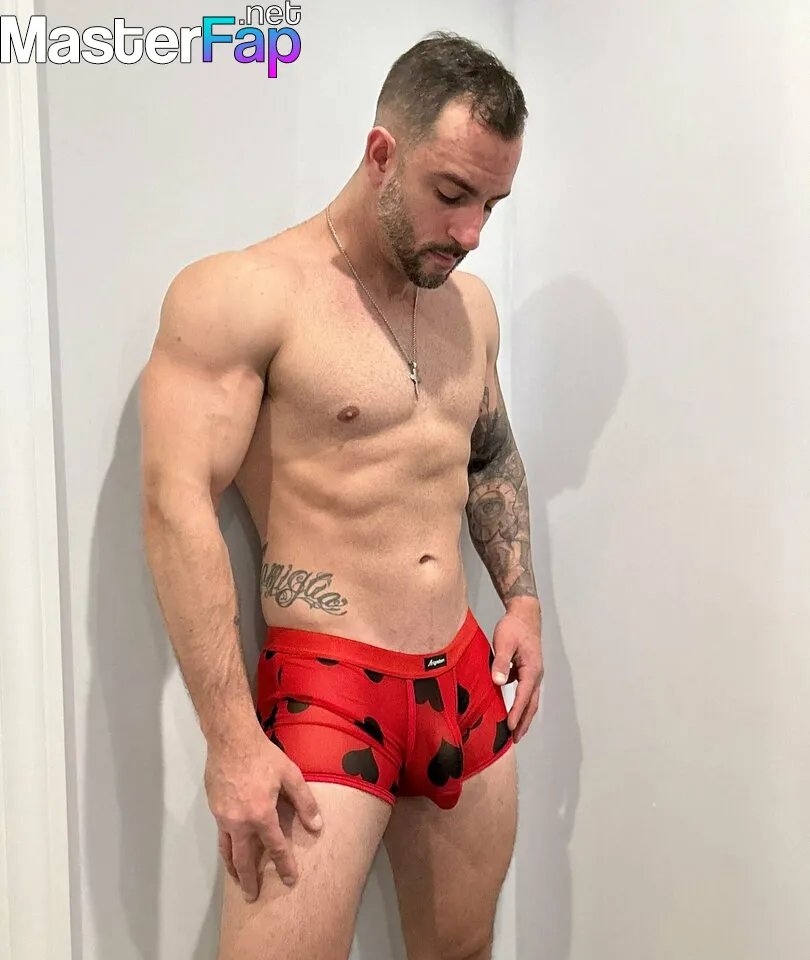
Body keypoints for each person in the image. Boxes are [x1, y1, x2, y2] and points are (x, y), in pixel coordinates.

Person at [140, 30, 543, 960]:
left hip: (462, 677)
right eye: (453, 194)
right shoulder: (243, 294)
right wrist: (230, 741)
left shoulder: (471, 307)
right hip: (329, 691)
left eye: (492, 205)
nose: (472, 233)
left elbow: (487, 452)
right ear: (381, 154)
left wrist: (520, 598)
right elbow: (175, 506)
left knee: (465, 951)